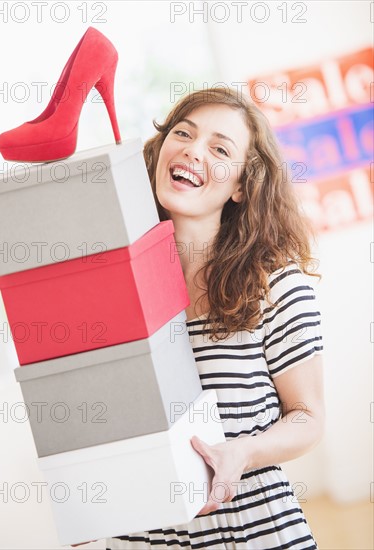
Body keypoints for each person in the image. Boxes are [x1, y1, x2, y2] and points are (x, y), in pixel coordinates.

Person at [106, 87, 325, 549]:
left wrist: (241, 452)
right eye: (182, 133)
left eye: (220, 148)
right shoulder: (117, 290)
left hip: (254, 533)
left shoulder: (273, 285)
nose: (192, 149)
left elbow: (308, 417)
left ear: (242, 186)